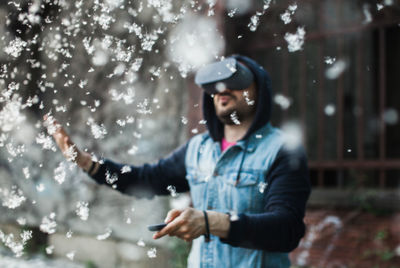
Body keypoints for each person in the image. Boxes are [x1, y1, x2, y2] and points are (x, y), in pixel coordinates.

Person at [49, 54, 311, 268]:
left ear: (259, 91)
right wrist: (87, 163)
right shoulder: (198, 149)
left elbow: (286, 229)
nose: (224, 88)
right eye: (217, 82)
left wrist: (210, 223)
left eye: (236, 80)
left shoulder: (282, 150)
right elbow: (145, 180)